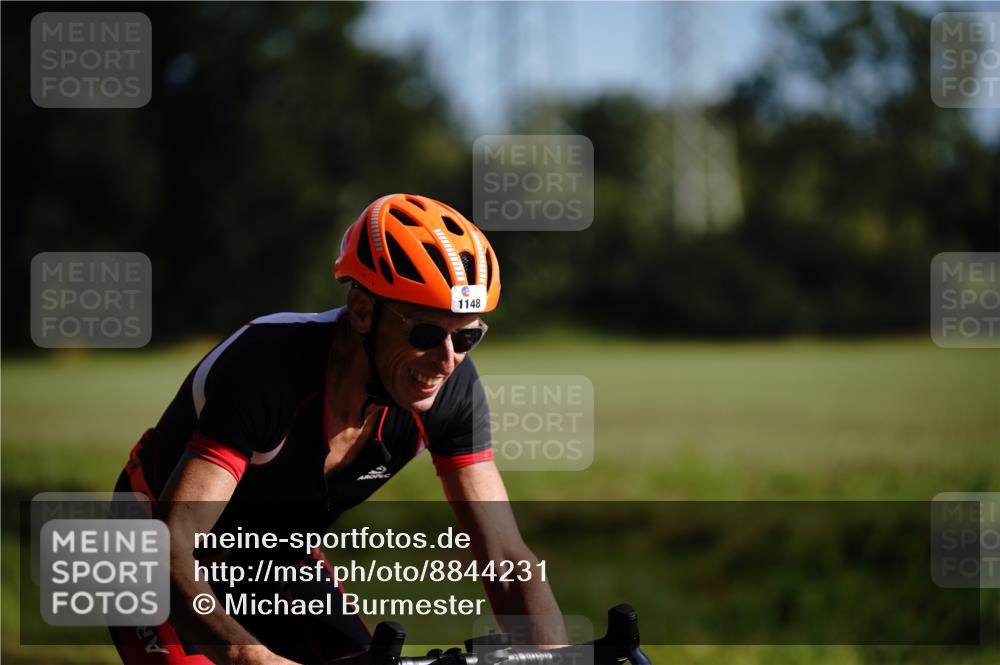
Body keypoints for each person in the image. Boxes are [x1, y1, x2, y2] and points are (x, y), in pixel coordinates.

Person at [110, 194, 566, 665]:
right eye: (426, 334)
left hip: (276, 553)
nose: (448, 359)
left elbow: (508, 559)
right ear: (363, 310)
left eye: (468, 336)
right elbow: (172, 543)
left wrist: (559, 656)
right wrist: (248, 658)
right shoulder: (269, 366)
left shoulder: (451, 392)